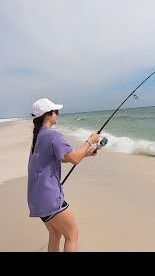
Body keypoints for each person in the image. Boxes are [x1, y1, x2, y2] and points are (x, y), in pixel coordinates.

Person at [27, 98, 100, 252]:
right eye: (56, 111)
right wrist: (90, 140)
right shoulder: (53, 135)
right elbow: (74, 159)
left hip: (37, 198)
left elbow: (64, 157)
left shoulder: (39, 136)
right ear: (47, 115)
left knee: (55, 235)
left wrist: (85, 154)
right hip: (50, 199)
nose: (57, 114)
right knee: (72, 234)